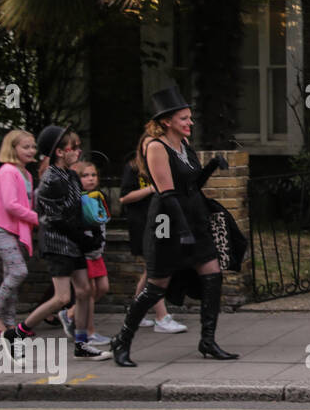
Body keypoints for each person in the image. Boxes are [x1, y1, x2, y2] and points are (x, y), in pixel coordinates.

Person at [110, 86, 236, 366]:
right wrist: (183, 231)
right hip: (168, 224)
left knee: (213, 277)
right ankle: (123, 339)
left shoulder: (184, 145)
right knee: (156, 286)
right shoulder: (155, 147)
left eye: (190, 118)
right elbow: (167, 194)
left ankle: (208, 340)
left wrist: (212, 166)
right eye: (184, 119)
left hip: (193, 218)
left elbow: (191, 186)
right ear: (166, 121)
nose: (190, 123)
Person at [0, 125, 110, 361]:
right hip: (58, 244)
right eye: (74, 147)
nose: (78, 151)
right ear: (60, 151)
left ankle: (81, 343)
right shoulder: (51, 179)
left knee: (84, 291)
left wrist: (92, 232)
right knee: (61, 298)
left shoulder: (71, 175)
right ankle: (17, 332)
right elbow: (56, 219)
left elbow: (78, 209)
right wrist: (82, 237)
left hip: (75, 242)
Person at [120, 135, 187, 334]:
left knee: (155, 267)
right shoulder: (133, 168)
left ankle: (135, 311)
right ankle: (161, 316)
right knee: (155, 268)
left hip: (162, 220)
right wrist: (151, 188)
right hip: (143, 223)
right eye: (148, 144)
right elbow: (124, 197)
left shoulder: (164, 165)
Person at [0, 130, 39, 336]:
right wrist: (37, 219)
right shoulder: (8, 171)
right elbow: (11, 205)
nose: (31, 150)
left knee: (11, 273)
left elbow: (28, 200)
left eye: (33, 146)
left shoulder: (26, 173)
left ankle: (10, 323)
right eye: (26, 147)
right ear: (12, 148)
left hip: (12, 228)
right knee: (18, 271)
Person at [62, 159, 111, 345]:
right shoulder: (77, 199)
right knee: (89, 291)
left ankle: (71, 313)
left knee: (103, 287)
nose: (90, 179)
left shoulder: (97, 196)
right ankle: (89, 332)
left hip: (97, 251)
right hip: (85, 251)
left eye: (93, 175)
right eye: (85, 175)